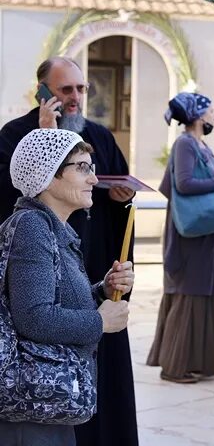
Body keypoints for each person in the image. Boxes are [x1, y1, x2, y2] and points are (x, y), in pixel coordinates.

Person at [0, 57, 138, 446]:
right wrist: (99, 321)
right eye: (82, 168)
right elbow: (35, 318)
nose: (94, 177)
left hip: (57, 395)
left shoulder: (54, 226)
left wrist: (100, 288)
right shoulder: (32, 226)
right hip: (34, 396)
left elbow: (55, 292)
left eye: (82, 89)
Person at [147, 92, 214, 384]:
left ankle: (201, 361)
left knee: (204, 291)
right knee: (190, 292)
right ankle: (175, 365)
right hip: (190, 236)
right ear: (197, 116)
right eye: (209, 111)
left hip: (203, 234)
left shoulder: (199, 144)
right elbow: (182, 184)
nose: (213, 116)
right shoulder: (185, 143)